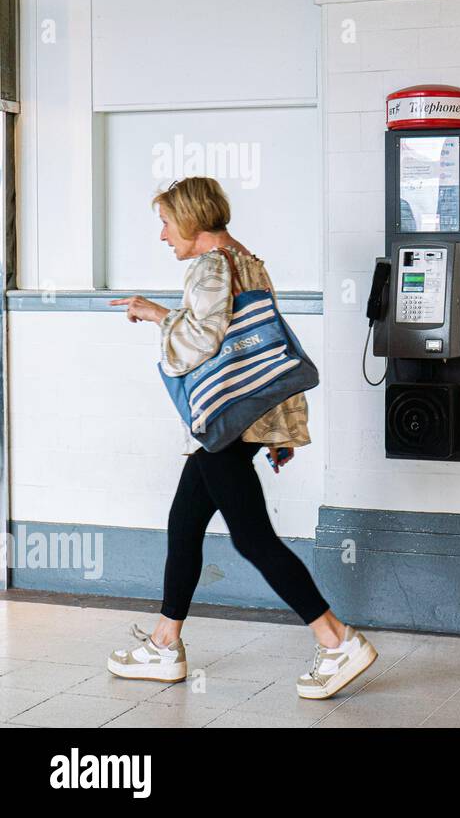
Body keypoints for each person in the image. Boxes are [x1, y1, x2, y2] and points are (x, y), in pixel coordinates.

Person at [107, 176, 376, 700]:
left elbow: (197, 345)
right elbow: (263, 349)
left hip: (225, 425)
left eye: (165, 222)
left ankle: (336, 639)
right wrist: (277, 428)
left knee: (252, 538)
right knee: (184, 521)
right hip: (242, 421)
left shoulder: (209, 268)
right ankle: (165, 642)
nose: (163, 235)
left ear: (190, 220)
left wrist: (157, 317)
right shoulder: (246, 260)